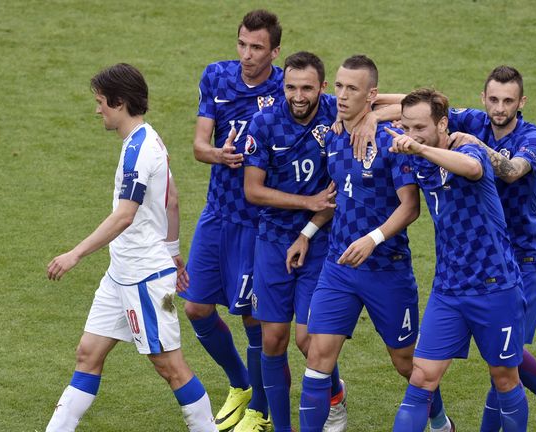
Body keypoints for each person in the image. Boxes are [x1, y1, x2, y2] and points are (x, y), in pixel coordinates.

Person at [45, 63, 216, 432]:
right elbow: (172, 199)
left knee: (171, 368)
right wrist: (173, 250)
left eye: (101, 103)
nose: (97, 110)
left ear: (119, 102)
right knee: (87, 354)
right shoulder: (147, 140)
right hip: (121, 273)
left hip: (144, 278)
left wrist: (74, 254)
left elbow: (124, 216)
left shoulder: (140, 150)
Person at [297, 55, 428, 432]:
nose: (340, 95)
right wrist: (307, 233)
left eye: (352, 89)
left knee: (405, 362)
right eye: (338, 86)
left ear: (371, 94)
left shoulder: (391, 140)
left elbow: (411, 206)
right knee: (317, 355)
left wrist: (372, 239)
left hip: (386, 269)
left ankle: (438, 421)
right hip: (339, 267)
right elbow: (341, 195)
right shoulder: (334, 133)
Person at [389, 88, 529, 432]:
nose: (411, 137)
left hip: (494, 287)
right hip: (448, 290)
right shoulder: (415, 154)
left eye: (420, 128)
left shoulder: (468, 148)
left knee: (505, 379)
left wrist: (422, 147)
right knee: (422, 377)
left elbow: (470, 167)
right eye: (406, 129)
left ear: (442, 125)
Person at [448, 66, 536, 432]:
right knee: (502, 355)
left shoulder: (532, 137)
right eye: (493, 99)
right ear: (483, 97)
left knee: (503, 357)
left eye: (508, 100)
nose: (499, 107)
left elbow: (512, 171)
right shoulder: (475, 120)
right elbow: (427, 108)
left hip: (526, 258)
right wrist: (369, 108)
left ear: (521, 102)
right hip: (491, 259)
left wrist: (475, 145)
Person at [181, 9, 282, 431]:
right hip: (218, 212)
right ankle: (240, 384)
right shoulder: (217, 77)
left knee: (253, 317)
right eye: (242, 43)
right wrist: (219, 154)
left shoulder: (286, 87)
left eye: (257, 47)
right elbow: (199, 146)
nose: (246, 54)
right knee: (196, 307)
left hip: (260, 221)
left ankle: (259, 409)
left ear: (275, 51)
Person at [241, 51, 344, 432]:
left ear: (322, 87)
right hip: (272, 240)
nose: (298, 96)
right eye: (291, 88)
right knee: (273, 339)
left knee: (308, 339)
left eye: (306, 88)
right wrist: (307, 201)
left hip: (320, 239)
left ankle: (333, 393)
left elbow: (380, 101)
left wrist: (374, 117)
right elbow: (253, 190)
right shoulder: (265, 122)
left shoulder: (337, 112)